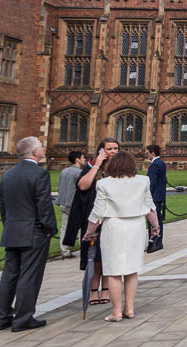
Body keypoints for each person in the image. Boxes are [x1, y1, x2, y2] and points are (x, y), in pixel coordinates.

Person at [83, 151, 160, 321]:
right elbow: (150, 207)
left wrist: (89, 232)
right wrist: (156, 226)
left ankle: (116, 312)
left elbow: (97, 212)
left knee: (113, 271)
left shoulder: (104, 184)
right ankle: (129, 309)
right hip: (136, 227)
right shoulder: (143, 181)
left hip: (114, 227)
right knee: (132, 270)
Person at [0, 136, 57, 333]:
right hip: (33, 232)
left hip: (12, 231)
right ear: (35, 152)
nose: (44, 149)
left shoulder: (7, 174)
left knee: (9, 276)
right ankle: (23, 319)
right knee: (29, 276)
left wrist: (9, 225)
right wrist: (49, 229)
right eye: (41, 147)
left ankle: (3, 317)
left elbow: (3, 206)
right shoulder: (40, 174)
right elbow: (44, 206)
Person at [63, 136, 119, 306]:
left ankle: (106, 290)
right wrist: (96, 165)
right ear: (101, 150)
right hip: (94, 218)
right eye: (109, 149)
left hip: (113, 218)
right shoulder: (91, 167)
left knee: (109, 257)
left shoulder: (120, 167)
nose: (113, 152)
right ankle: (94, 291)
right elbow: (83, 186)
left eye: (115, 148)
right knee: (94, 257)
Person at [57, 150, 85, 259]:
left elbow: (60, 187)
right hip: (74, 203)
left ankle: (64, 250)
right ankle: (84, 248)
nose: (84, 160)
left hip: (63, 202)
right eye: (82, 158)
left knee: (65, 227)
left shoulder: (64, 171)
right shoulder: (79, 173)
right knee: (81, 226)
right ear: (77, 159)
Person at [146, 145, 167, 252]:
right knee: (158, 219)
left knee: (153, 220)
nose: (146, 155)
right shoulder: (161, 163)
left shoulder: (155, 165)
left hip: (154, 196)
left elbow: (152, 182)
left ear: (153, 153)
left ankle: (154, 243)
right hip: (160, 195)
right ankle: (158, 242)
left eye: (147, 153)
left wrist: (147, 195)